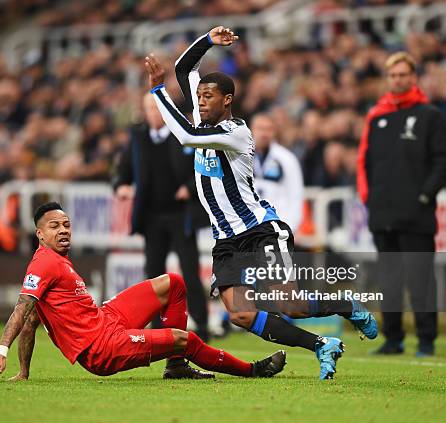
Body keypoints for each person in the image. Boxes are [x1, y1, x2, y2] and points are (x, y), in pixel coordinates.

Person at [144, 26, 377, 380]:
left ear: (227, 100)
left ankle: (346, 305)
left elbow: (188, 136)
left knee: (290, 305)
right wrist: (207, 40)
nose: (201, 100)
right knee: (240, 315)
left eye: (209, 96)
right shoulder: (205, 118)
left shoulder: (236, 133)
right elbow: (183, 68)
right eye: (199, 95)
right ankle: (321, 345)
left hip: (259, 231)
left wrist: (158, 92)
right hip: (226, 240)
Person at [0, 202, 286, 381]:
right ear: (40, 234)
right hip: (101, 348)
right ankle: (252, 371)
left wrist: (25, 372)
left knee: (173, 283)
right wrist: (1, 353)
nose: (64, 230)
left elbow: (32, 323)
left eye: (66, 224)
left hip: (104, 319)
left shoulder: (58, 262)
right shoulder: (42, 265)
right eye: (55, 226)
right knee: (186, 339)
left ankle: (175, 366)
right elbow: (23, 311)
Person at [357, 52, 446, 356]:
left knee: (420, 279)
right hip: (382, 213)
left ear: (414, 77)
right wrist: (370, 200)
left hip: (416, 214)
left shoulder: (430, 116)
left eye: (403, 75)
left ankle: (426, 341)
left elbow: (443, 163)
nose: (397, 80)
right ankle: (393, 339)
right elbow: (367, 163)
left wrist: (424, 196)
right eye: (393, 75)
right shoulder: (378, 117)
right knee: (389, 280)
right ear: (388, 79)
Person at [114, 93, 209, 341]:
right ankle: (157, 327)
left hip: (180, 216)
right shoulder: (138, 138)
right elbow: (123, 171)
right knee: (154, 274)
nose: (154, 114)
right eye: (149, 109)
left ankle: (202, 323)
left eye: (157, 109)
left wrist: (188, 187)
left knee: (189, 271)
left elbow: (203, 169)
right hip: (152, 217)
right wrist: (121, 186)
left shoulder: (183, 135)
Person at [251, 113, 304, 233]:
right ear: (252, 130)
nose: (264, 133)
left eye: (268, 129)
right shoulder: (240, 158)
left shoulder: (287, 159)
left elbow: (296, 195)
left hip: (278, 224)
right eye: (260, 128)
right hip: (249, 227)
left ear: (274, 132)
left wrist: (289, 228)